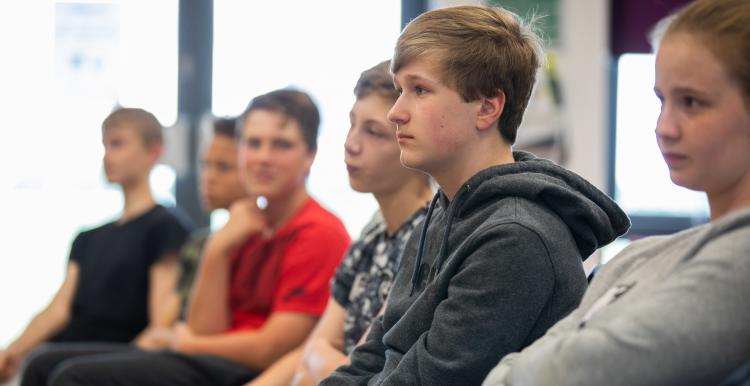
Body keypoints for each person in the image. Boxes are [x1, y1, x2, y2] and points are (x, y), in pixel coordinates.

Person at [320, 5, 629, 386]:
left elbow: (424, 381)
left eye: (419, 90)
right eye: (400, 90)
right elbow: (375, 354)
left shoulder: (516, 239)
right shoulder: (441, 214)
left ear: (487, 107)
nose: (396, 113)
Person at [482, 0, 750, 385]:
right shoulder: (640, 257)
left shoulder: (740, 265)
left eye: (692, 102)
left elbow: (572, 374)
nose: (665, 127)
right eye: (662, 100)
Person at [39, 88, 352, 386]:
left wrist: (188, 343)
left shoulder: (318, 231)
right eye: (253, 144)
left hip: (259, 372)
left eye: (281, 145)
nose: (263, 157)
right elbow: (207, 326)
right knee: (42, 365)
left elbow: (270, 349)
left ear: (310, 154)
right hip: (214, 359)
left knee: (75, 378)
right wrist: (217, 249)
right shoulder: (246, 224)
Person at [248, 60, 433, 386]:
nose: (351, 144)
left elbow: (362, 373)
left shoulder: (429, 238)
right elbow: (314, 347)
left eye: (373, 132)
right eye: (352, 124)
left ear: (411, 139)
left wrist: (318, 361)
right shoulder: (372, 236)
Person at [0, 107, 192, 384]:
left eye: (118, 144)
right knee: (37, 359)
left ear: (153, 152)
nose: (107, 155)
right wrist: (12, 351)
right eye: (104, 145)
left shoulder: (165, 228)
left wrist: (127, 365)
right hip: (70, 348)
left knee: (47, 364)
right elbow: (58, 310)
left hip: (117, 351)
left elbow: (161, 319)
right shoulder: (88, 237)